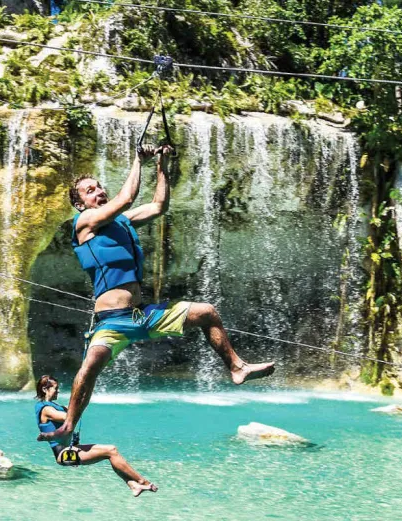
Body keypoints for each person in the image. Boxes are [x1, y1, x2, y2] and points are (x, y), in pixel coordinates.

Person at [38, 144, 276, 445]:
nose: (98, 191)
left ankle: (237, 367)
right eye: (89, 190)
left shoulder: (122, 222)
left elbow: (158, 206)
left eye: (99, 187)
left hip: (142, 315)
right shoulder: (83, 224)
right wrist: (139, 160)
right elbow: (126, 198)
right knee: (89, 368)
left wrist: (162, 165)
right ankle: (69, 424)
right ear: (80, 204)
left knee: (206, 312)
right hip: (111, 322)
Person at [35, 375, 158, 497]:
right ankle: (142, 481)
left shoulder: (58, 407)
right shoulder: (46, 409)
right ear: (45, 389)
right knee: (111, 451)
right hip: (63, 455)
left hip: (70, 450)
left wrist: (86, 387)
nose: (58, 391)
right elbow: (67, 417)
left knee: (111, 451)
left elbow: (77, 408)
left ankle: (133, 485)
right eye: (55, 388)